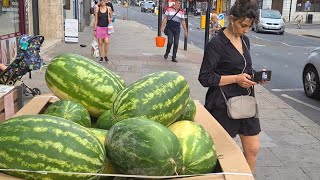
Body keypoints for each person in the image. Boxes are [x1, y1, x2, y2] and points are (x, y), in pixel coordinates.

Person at [198, 0, 263, 174]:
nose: (245, 30)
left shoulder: (245, 41)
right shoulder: (216, 44)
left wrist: (256, 76)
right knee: (221, 154)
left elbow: (244, 69)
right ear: (232, 19)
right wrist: (236, 79)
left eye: (249, 27)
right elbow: (204, 78)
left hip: (246, 102)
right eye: (243, 25)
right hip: (222, 103)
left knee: (253, 149)